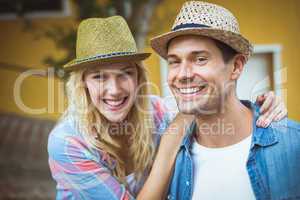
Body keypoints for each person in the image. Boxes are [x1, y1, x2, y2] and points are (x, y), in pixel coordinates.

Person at [48, 16, 286, 199]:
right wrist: (171, 141)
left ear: (138, 77)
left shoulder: (156, 111)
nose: (114, 90)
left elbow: (206, 102)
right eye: (99, 77)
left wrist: (259, 107)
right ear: (83, 83)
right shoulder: (68, 141)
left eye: (125, 73)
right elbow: (186, 117)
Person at [150, 1, 300, 200]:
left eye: (200, 59)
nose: (182, 74)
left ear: (236, 67)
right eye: (174, 62)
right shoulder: (170, 158)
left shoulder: (292, 145)